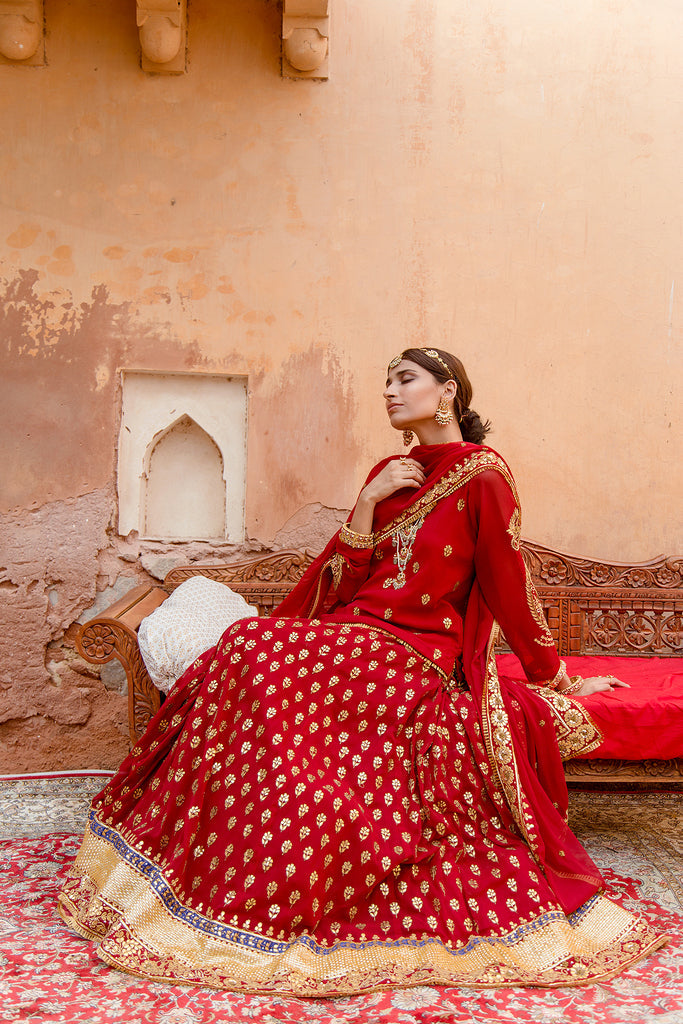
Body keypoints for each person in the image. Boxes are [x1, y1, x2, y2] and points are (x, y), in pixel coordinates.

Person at [59, 347, 663, 995]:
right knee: (246, 648)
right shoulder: (389, 473)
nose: (389, 392)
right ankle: (235, 852)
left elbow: (509, 586)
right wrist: (369, 503)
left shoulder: (483, 477)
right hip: (355, 634)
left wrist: (558, 679)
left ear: (447, 391)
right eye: (385, 382)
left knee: (253, 650)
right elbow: (342, 582)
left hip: (417, 653)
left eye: (405, 380)